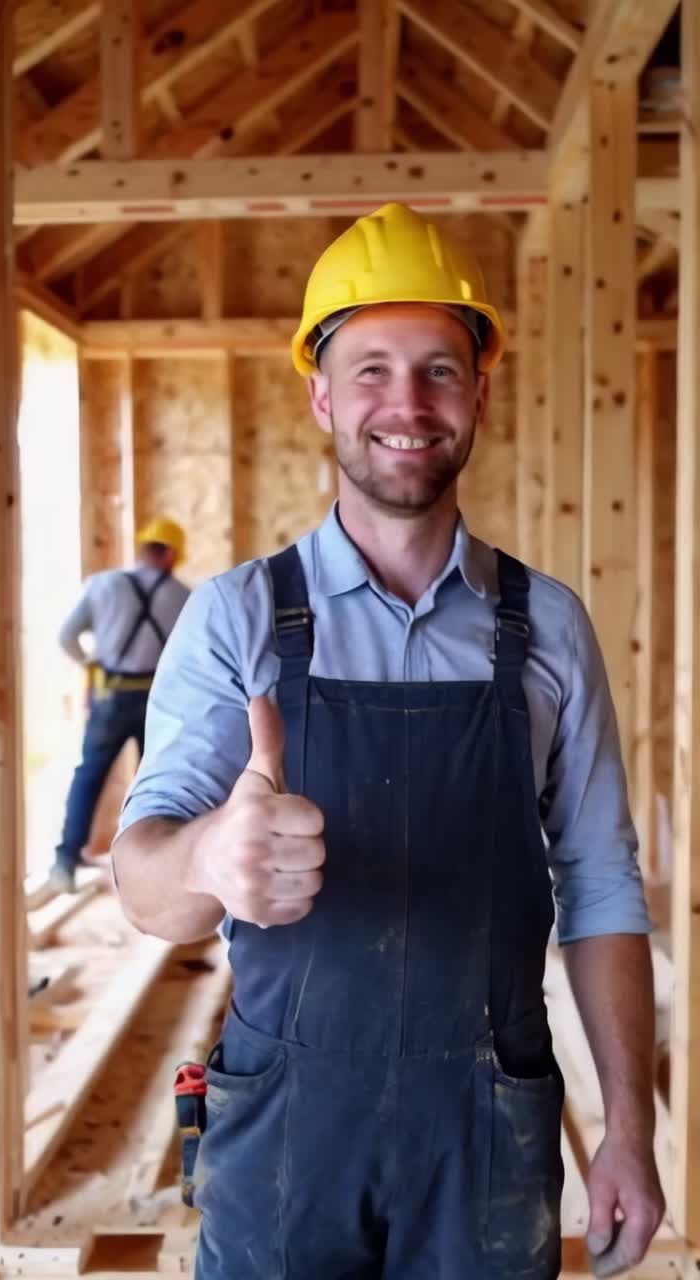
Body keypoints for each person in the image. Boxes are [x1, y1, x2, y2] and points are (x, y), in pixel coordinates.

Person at [112, 204, 664, 1279]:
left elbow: (600, 881)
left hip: (489, 1126)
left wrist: (631, 1132)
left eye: (439, 370)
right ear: (320, 392)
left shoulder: (546, 626)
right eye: (369, 369)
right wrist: (209, 859)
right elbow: (143, 886)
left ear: (480, 391)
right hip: (284, 1131)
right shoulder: (233, 618)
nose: (405, 403)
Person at [50, 516, 189, 892]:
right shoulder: (183, 596)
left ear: (143, 548)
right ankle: (153, 871)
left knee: (90, 773)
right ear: (172, 554)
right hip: (159, 701)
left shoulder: (103, 585)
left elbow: (67, 637)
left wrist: (91, 664)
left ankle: (65, 862)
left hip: (110, 695)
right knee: (157, 783)